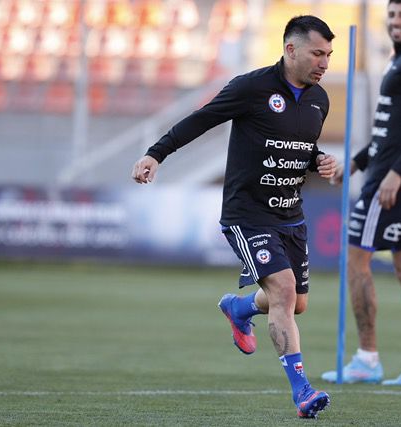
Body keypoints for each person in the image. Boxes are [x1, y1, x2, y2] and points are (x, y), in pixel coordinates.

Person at [131, 15, 336, 418]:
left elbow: (299, 147)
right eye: (317, 53)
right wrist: (155, 153)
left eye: (328, 55)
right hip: (248, 214)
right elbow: (201, 119)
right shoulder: (252, 87)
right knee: (282, 289)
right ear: (290, 49)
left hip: (290, 216)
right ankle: (303, 392)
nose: (324, 62)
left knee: (296, 304)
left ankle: (239, 308)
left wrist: (320, 160)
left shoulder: (319, 100)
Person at [321, 0, 401, 386]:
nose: (395, 21)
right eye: (391, 15)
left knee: (357, 260)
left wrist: (394, 175)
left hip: (394, 182)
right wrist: (356, 162)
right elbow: (391, 130)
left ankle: (366, 358)